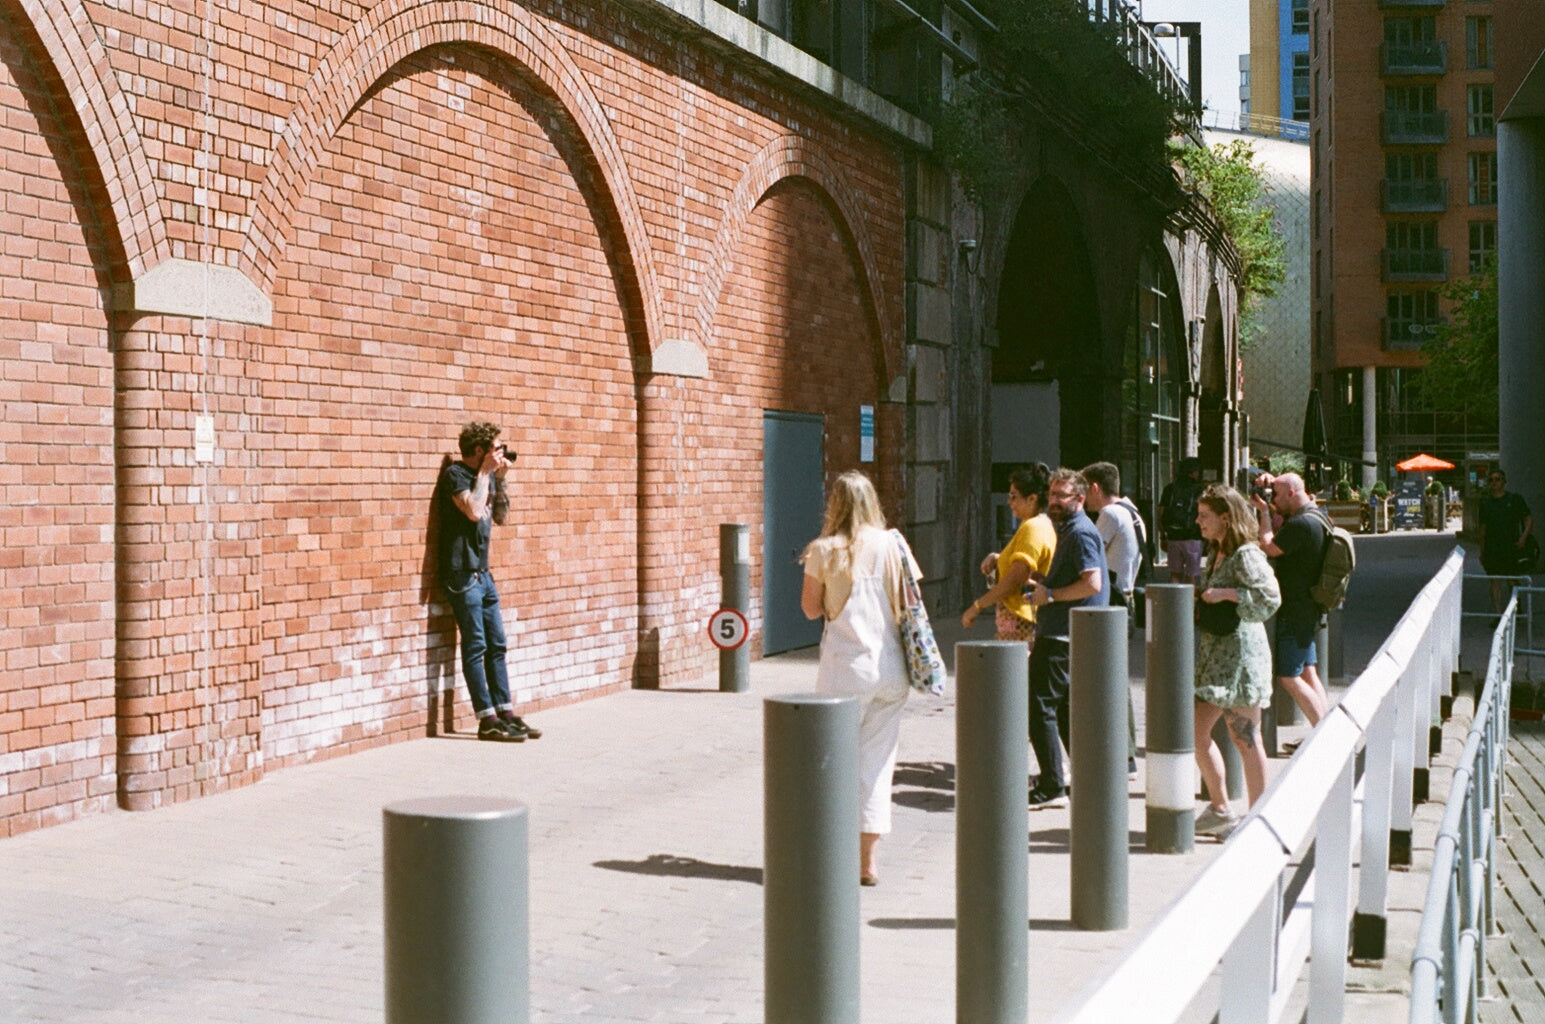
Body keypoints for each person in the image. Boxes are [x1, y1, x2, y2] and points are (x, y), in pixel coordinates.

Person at [800, 470, 921, 887]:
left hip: (843, 671)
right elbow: (909, 602)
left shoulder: (823, 550)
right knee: (877, 765)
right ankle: (867, 862)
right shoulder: (894, 544)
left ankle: (829, 856)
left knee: (832, 764)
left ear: (834, 504)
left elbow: (810, 609)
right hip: (890, 670)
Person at [432, 421, 543, 742]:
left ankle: (505, 711)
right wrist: (484, 475)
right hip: (461, 573)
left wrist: (501, 480)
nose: (500, 453)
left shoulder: (488, 477)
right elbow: (473, 511)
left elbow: (501, 517)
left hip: (483, 572)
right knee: (475, 645)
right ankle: (487, 719)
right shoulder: (456, 475)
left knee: (497, 644)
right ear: (479, 451)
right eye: (496, 448)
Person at [1192, 485, 1282, 838]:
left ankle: (1256, 814)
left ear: (1225, 518)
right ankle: (1221, 807)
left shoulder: (1246, 554)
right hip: (1218, 657)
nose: (1198, 522)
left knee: (1245, 737)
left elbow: (1269, 597)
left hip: (1240, 657)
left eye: (1205, 516)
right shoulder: (1218, 551)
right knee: (1198, 733)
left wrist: (1223, 594)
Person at [1024, 468, 1109, 808]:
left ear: (1081, 498)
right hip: (1069, 632)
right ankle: (1087, 776)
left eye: (1062, 496)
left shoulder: (1080, 532)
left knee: (1038, 705)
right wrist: (1043, 581)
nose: (1054, 501)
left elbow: (1093, 583)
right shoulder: (1071, 529)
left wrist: (1052, 595)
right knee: (1062, 709)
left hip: (1063, 635)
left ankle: (1051, 785)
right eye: (1052, 494)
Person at [1250, 471, 1329, 728]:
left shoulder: (1300, 525)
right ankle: (1326, 727)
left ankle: (1324, 735)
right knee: (1308, 671)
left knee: (1289, 677)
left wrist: (1263, 513)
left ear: (1292, 493)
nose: (1275, 500)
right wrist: (1275, 482)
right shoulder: (1317, 515)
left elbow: (1269, 545)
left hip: (1294, 609)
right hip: (1308, 606)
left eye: (1278, 495)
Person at [1083, 460, 1144, 776]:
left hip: (1111, 600)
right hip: (1128, 597)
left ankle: (1122, 755)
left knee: (1108, 680)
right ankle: (1124, 754)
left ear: (1095, 487)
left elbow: (1089, 552)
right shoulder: (1133, 513)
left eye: (1085, 490)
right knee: (1115, 678)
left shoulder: (1109, 515)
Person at [962, 463, 1055, 649]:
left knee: (1013, 673)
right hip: (1019, 618)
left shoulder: (1033, 528)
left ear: (1032, 499)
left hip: (1021, 619)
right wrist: (999, 557)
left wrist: (978, 606)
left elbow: (1016, 578)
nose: (1009, 502)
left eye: (1014, 496)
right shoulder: (1035, 524)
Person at [1478, 469, 1534, 612]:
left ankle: (1516, 605)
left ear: (1504, 481)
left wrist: (1523, 539)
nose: (1494, 483)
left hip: (1511, 547)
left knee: (1511, 579)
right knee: (1495, 580)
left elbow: (1529, 519)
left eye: (1497, 479)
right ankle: (1498, 614)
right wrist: (1482, 550)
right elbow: (1483, 529)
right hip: (1492, 548)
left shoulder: (1515, 500)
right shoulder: (1485, 503)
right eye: (1491, 480)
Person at [1159, 457, 1205, 585]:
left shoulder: (1170, 489)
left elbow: (1161, 514)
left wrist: (1163, 536)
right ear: (1193, 472)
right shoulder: (1199, 490)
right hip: (1193, 537)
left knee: (1175, 574)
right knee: (1192, 576)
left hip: (1174, 537)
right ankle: (1190, 604)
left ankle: (1174, 603)